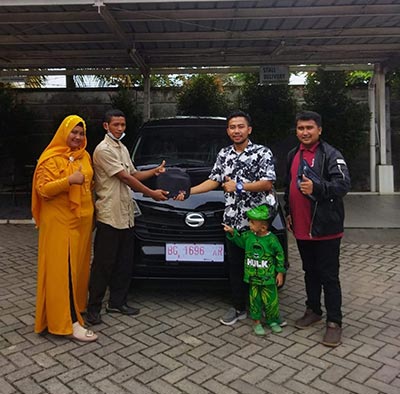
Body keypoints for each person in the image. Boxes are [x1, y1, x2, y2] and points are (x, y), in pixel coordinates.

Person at [176, 110, 277, 326]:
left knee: (260, 265)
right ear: (228, 131)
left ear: (249, 129)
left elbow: (267, 182)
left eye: (241, 126)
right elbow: (214, 180)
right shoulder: (224, 154)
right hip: (232, 223)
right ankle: (239, 307)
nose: (236, 131)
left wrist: (239, 186)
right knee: (236, 267)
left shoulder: (262, 152)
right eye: (232, 127)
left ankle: (265, 308)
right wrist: (189, 191)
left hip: (256, 225)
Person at [85, 109, 169, 325]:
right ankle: (93, 307)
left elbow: (133, 174)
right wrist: (152, 193)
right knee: (103, 264)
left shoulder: (122, 148)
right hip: (109, 215)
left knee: (124, 262)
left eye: (123, 125)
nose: (120, 128)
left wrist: (154, 171)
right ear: (106, 126)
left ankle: (117, 302)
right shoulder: (103, 150)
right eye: (116, 125)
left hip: (126, 214)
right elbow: (125, 178)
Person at [284, 110, 351, 347]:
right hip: (302, 228)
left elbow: (343, 185)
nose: (305, 132)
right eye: (301, 128)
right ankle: (313, 310)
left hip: (326, 229)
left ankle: (334, 322)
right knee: (309, 272)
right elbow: (289, 186)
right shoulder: (293, 154)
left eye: (309, 128)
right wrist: (289, 212)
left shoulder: (331, 154)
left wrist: (318, 187)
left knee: (329, 276)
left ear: (319, 130)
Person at [32, 115, 98, 342]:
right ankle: (67, 323)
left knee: (78, 269)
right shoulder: (51, 158)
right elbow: (43, 190)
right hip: (59, 223)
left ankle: (75, 311)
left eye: (81, 133)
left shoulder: (84, 155)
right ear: (64, 133)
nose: (78, 137)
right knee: (63, 272)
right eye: (74, 132)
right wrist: (68, 181)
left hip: (82, 223)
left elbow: (89, 184)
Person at [223, 205, 285, 336]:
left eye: (252, 222)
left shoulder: (272, 240)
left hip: (268, 278)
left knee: (271, 300)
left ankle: (272, 320)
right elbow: (239, 241)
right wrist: (233, 233)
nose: (249, 224)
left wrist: (280, 272)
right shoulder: (248, 237)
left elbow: (280, 255)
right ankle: (256, 322)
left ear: (263, 227)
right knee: (254, 300)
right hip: (253, 278)